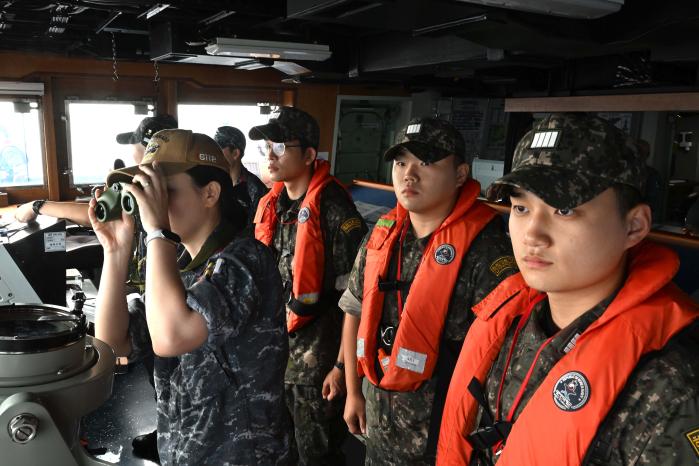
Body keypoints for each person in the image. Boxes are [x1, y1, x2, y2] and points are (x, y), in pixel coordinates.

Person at [437, 113, 699, 466]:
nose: (532, 234)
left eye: (563, 209)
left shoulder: (672, 384)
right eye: (521, 207)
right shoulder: (511, 322)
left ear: (634, 226)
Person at [89, 129, 290, 465]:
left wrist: (157, 232)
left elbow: (171, 337)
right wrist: (116, 250)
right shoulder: (177, 267)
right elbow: (112, 343)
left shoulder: (246, 260)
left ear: (210, 193)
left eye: (162, 191)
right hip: (185, 451)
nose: (150, 204)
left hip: (245, 456)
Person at [339, 117, 517, 465]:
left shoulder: (487, 251)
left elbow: (503, 360)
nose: (409, 174)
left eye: (427, 162)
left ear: (461, 174)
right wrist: (352, 391)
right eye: (402, 162)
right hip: (378, 421)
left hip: (442, 440)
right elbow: (354, 311)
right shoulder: (381, 238)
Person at [250, 106, 367, 465]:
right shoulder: (273, 205)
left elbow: (358, 299)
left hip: (316, 364)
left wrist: (342, 368)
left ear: (310, 155)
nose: (270, 155)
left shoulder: (335, 211)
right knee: (277, 446)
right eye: (267, 146)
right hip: (274, 354)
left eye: (281, 147)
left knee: (317, 453)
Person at [14, 114, 178, 225]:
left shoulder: (147, 186)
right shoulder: (177, 179)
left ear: (149, 150)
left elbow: (95, 214)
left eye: (133, 144)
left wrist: (36, 206)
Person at [213, 125, 268, 231]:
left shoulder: (256, 190)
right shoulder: (213, 183)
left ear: (235, 153)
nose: (215, 154)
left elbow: (257, 231)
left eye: (219, 149)